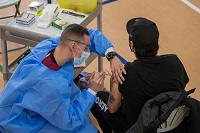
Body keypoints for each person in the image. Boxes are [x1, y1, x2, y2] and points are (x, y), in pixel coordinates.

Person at [0, 24, 125, 133]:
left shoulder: (50, 46)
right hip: (23, 124)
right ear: (72, 46)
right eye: (86, 48)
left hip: (37, 104)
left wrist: (111, 55)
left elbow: (90, 36)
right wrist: (92, 90)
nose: (88, 51)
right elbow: (69, 121)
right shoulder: (51, 86)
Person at [91, 17, 189, 133]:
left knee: (96, 96)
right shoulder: (174, 61)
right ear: (157, 43)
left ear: (131, 45)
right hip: (166, 122)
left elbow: (112, 109)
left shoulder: (125, 72)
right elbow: (179, 90)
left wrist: (114, 80)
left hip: (138, 128)